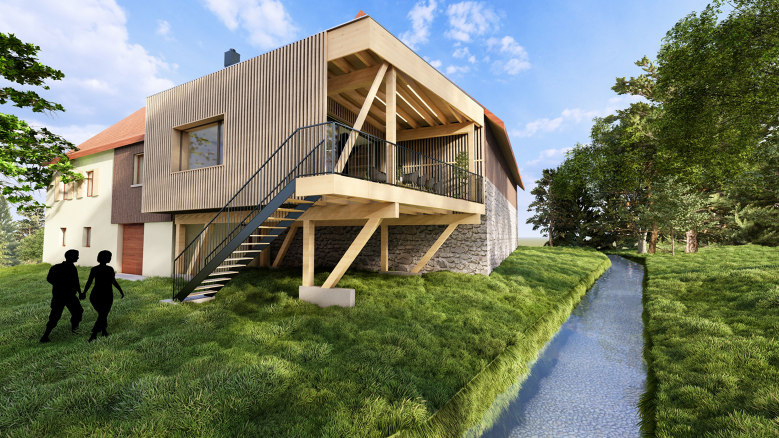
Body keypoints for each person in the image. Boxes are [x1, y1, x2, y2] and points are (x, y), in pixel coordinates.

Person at [41, 249, 84, 343]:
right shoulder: (57, 267)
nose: (78, 257)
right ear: (70, 257)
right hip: (61, 296)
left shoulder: (72, 267)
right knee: (55, 316)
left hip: (67, 296)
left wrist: (80, 292)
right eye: (76, 256)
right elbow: (50, 279)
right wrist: (61, 285)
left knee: (77, 311)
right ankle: (45, 336)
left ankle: (74, 331)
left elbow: (76, 281)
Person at [83, 250, 124, 342]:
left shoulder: (96, 269)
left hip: (98, 294)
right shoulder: (108, 269)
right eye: (109, 257)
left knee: (103, 314)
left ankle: (104, 331)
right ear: (106, 258)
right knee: (103, 314)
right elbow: (90, 282)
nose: (110, 259)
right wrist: (84, 292)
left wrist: (84, 292)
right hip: (105, 295)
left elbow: (90, 282)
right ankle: (94, 334)